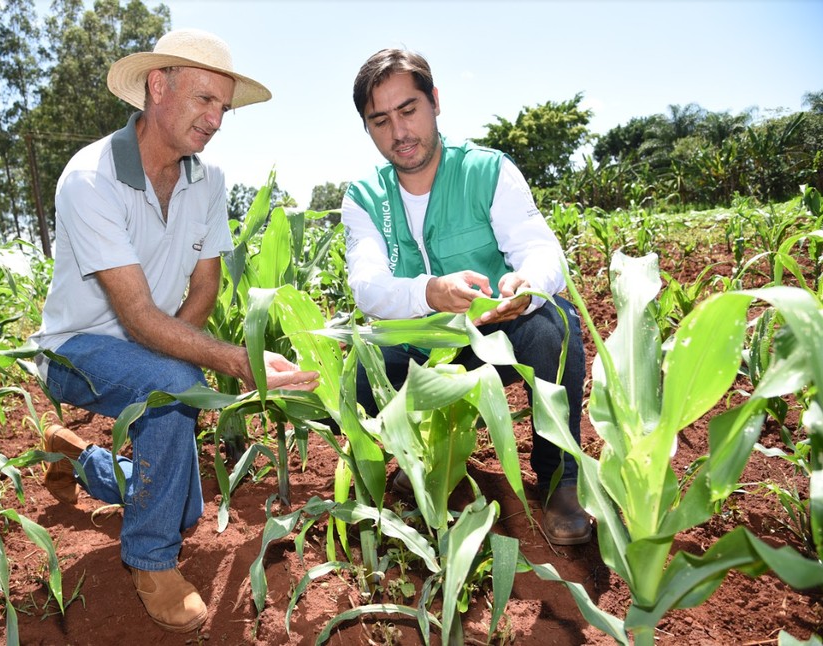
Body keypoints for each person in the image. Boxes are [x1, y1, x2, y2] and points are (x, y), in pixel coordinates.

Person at [29, 28, 319, 634]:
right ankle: (151, 561)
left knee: (180, 500)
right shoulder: (91, 179)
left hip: (152, 344)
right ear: (157, 86)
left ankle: (75, 454)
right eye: (204, 99)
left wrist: (167, 363)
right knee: (173, 387)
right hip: (73, 351)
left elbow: (206, 286)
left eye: (224, 107)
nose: (216, 120)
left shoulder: (207, 182)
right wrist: (223, 363)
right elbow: (135, 317)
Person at [341, 48, 591, 546]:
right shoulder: (365, 196)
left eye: (408, 110)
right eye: (381, 120)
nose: (399, 132)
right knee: (354, 380)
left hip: (494, 338)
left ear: (434, 102)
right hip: (417, 348)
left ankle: (560, 480)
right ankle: (420, 468)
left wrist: (527, 288)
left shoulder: (487, 171)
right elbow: (367, 288)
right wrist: (430, 292)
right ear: (368, 128)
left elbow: (541, 251)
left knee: (554, 328)